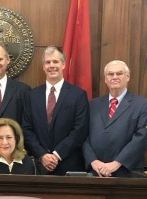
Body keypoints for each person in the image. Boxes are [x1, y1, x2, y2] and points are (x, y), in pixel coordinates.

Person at [22, 46, 89, 175]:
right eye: (48, 62)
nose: (51, 65)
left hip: (68, 164)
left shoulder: (78, 95)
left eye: (55, 61)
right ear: (43, 67)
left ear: (63, 64)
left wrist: (57, 155)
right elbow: (26, 129)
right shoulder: (32, 95)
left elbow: (80, 130)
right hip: (38, 165)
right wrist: (42, 155)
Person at [83, 60, 147, 177]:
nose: (114, 77)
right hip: (95, 172)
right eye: (110, 74)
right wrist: (93, 161)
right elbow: (82, 136)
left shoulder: (143, 105)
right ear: (105, 79)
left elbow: (142, 138)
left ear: (128, 77)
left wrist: (116, 164)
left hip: (126, 173)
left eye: (119, 73)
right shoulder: (92, 105)